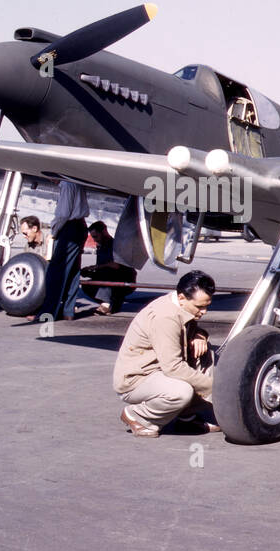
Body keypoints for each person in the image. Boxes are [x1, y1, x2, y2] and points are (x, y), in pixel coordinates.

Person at [112, 270, 220, 437]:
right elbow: (173, 368)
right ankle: (139, 416)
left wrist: (200, 335)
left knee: (206, 354)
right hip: (137, 379)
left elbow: (184, 330)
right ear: (182, 298)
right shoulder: (164, 317)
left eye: (207, 306)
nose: (204, 311)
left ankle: (186, 417)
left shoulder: (179, 304)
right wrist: (215, 388)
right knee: (181, 392)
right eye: (200, 307)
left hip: (159, 370)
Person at [42, 181, 89, 320]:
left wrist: (54, 231)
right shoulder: (78, 182)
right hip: (80, 225)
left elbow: (63, 214)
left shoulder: (66, 185)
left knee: (55, 272)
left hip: (69, 227)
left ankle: (48, 313)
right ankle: (68, 311)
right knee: (73, 271)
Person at [80, 220, 136, 315]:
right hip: (111, 277)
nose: (94, 240)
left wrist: (97, 267)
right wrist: (88, 271)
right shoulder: (101, 247)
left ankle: (106, 303)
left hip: (124, 279)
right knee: (87, 285)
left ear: (104, 232)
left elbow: (115, 265)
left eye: (96, 236)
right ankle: (114, 303)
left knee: (106, 273)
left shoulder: (115, 246)